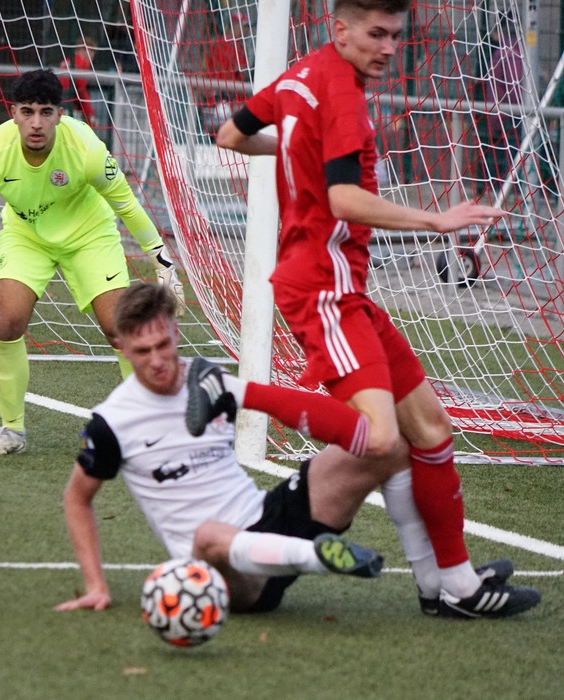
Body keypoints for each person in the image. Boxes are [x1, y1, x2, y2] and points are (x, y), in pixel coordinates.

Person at [206, 0, 540, 618]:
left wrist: (297, 151)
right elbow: (343, 199)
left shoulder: (299, 75)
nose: (389, 48)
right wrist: (435, 220)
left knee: (430, 430)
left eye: (395, 36)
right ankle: (231, 390)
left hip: (344, 289)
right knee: (382, 439)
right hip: (321, 290)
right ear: (341, 29)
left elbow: (230, 134)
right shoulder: (340, 94)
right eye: (376, 34)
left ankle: (451, 585)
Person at [55, 284, 534, 616]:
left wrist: (249, 392)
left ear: (176, 333)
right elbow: (77, 498)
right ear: (121, 347)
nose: (159, 360)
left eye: (164, 344)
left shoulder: (206, 380)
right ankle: (319, 556)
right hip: (221, 571)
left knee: (390, 444)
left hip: (268, 515)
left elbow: (344, 427)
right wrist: (96, 584)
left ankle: (434, 589)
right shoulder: (112, 422)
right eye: (143, 352)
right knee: (207, 535)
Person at [0, 69, 186, 456]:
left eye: (45, 112)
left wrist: (163, 262)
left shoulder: (86, 149)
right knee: (7, 323)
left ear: (59, 115)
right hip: (27, 235)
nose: (36, 123)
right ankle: (12, 430)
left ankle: (150, 425)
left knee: (120, 327)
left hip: (89, 233)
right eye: (27, 112)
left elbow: (127, 205)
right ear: (13, 113)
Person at [476, 15, 524, 192]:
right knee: (504, 158)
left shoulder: (507, 53)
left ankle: (504, 189)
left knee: (506, 158)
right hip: (504, 115)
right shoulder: (510, 53)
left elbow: (514, 89)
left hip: (505, 115)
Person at [200, 12, 252, 138]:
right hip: (225, 100)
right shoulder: (231, 45)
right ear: (234, 26)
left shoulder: (223, 43)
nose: (246, 31)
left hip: (220, 99)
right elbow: (241, 75)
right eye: (244, 26)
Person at [59, 38, 97, 126]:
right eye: (91, 51)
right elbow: (81, 91)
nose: (92, 55)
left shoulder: (67, 61)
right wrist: (90, 114)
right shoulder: (82, 64)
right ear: (82, 49)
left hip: (58, 103)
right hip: (70, 106)